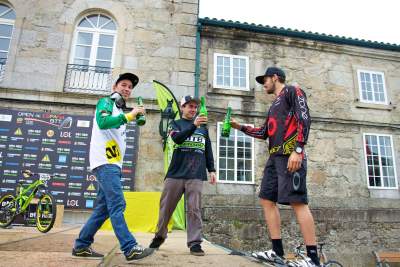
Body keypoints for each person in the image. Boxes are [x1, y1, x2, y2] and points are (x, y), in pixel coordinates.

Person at [230, 67, 321, 266]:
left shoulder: (292, 90)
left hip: (290, 154)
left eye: (265, 80)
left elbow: (304, 117)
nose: (264, 84)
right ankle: (277, 251)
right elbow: (264, 132)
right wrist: (240, 127)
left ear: (275, 77)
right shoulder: (273, 106)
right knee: (266, 199)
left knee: (298, 202)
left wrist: (298, 149)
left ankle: (313, 259)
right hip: (274, 157)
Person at [72, 73, 154, 261]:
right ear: (115, 87)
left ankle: (81, 245)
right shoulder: (105, 102)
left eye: (129, 87)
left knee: (103, 209)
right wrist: (130, 115)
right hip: (105, 163)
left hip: (112, 164)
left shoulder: (119, 110)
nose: (127, 89)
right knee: (118, 204)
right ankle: (130, 247)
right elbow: (102, 122)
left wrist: (130, 115)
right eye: (123, 85)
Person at [149, 95, 216, 256]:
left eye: (195, 107)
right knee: (166, 208)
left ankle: (194, 243)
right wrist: (193, 125)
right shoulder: (175, 124)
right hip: (176, 174)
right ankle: (159, 236)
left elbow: (208, 150)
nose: (192, 109)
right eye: (189, 106)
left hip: (196, 174)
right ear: (182, 108)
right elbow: (177, 139)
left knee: (194, 209)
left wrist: (212, 169)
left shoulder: (203, 129)